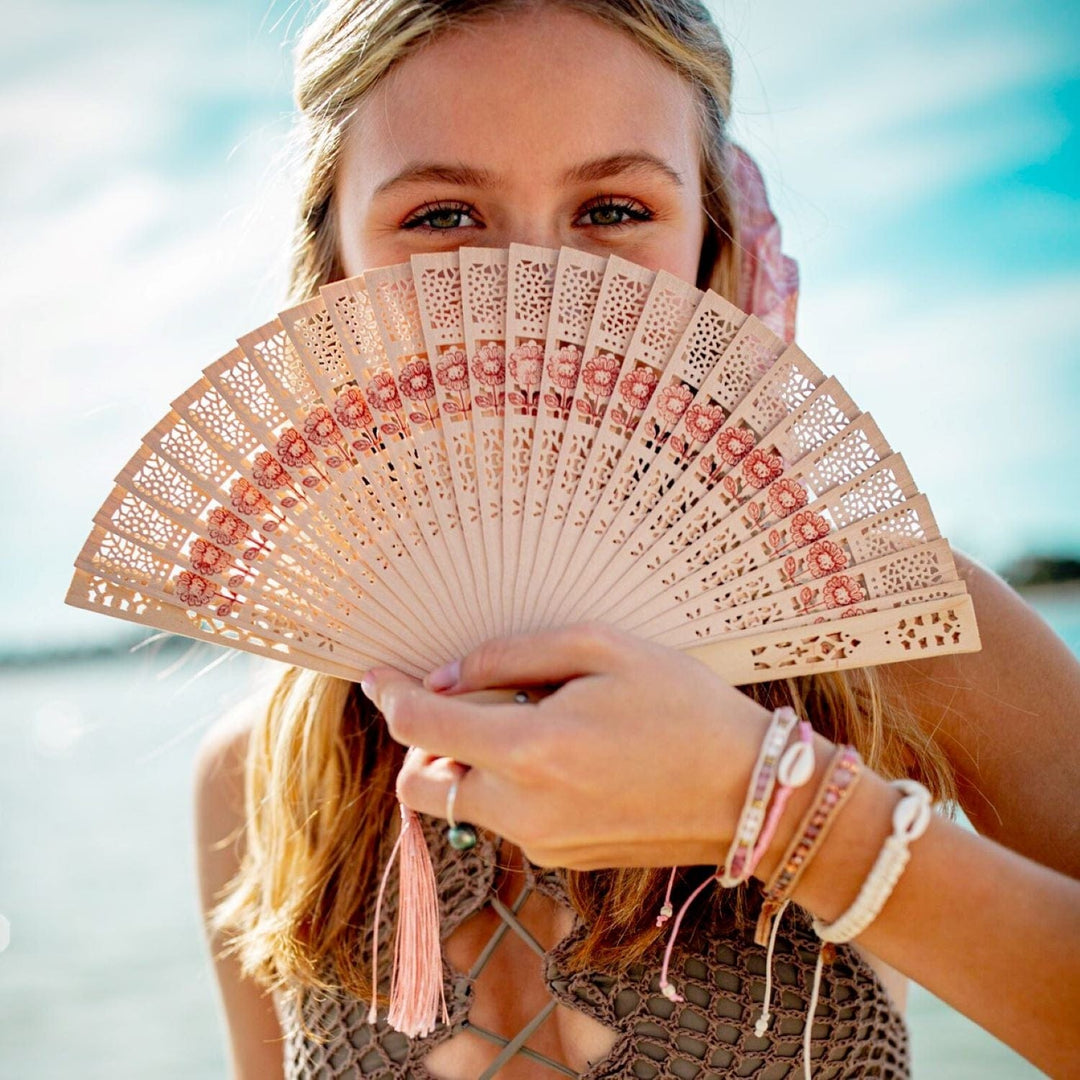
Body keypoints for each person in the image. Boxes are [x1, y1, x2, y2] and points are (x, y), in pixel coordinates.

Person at [192, 1, 1080, 1078]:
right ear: (332, 270)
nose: (538, 297)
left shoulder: (893, 643)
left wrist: (783, 805)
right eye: (440, 218)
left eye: (613, 208)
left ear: (716, 251)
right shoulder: (265, 775)